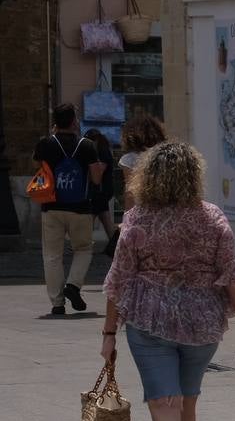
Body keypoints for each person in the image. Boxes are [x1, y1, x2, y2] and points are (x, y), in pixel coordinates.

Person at [101, 141, 235, 421]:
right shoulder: (212, 217)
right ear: (194, 176)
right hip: (202, 323)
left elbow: (117, 280)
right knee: (187, 398)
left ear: (149, 177)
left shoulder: (138, 218)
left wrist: (109, 334)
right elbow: (234, 279)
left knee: (162, 400)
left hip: (149, 320)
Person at [34, 103, 106, 315]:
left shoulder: (45, 144)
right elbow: (95, 178)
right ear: (74, 121)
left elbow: (39, 169)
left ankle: (57, 304)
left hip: (51, 206)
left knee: (52, 255)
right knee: (83, 248)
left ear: (55, 121)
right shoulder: (87, 146)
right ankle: (73, 285)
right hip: (80, 208)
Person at [118, 115, 168, 213]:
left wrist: (128, 217)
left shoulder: (129, 159)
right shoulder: (165, 155)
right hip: (165, 209)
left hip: (142, 211)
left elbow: (131, 191)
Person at [84, 128, 119, 257]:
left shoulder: (102, 151)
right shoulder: (102, 150)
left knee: (90, 217)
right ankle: (115, 245)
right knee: (106, 219)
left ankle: (84, 245)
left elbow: (99, 171)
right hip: (102, 190)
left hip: (100, 190)